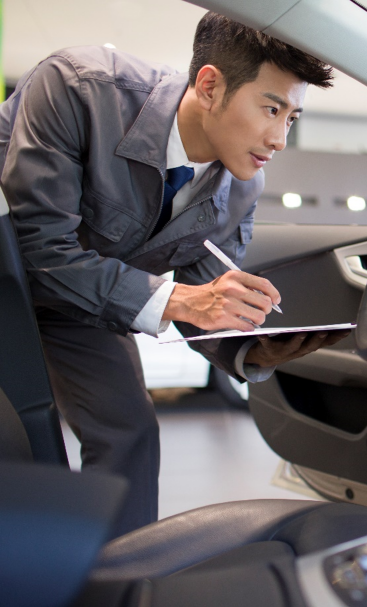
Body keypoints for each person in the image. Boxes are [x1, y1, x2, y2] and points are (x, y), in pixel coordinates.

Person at [0, 12, 349, 536]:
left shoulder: (242, 186)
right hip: (14, 274)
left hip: (83, 305)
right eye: (271, 108)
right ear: (210, 86)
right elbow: (40, 250)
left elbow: (206, 297)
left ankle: (119, 570)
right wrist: (182, 300)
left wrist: (250, 348)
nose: (279, 138)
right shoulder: (79, 88)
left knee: (130, 430)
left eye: (292, 118)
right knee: (17, 440)